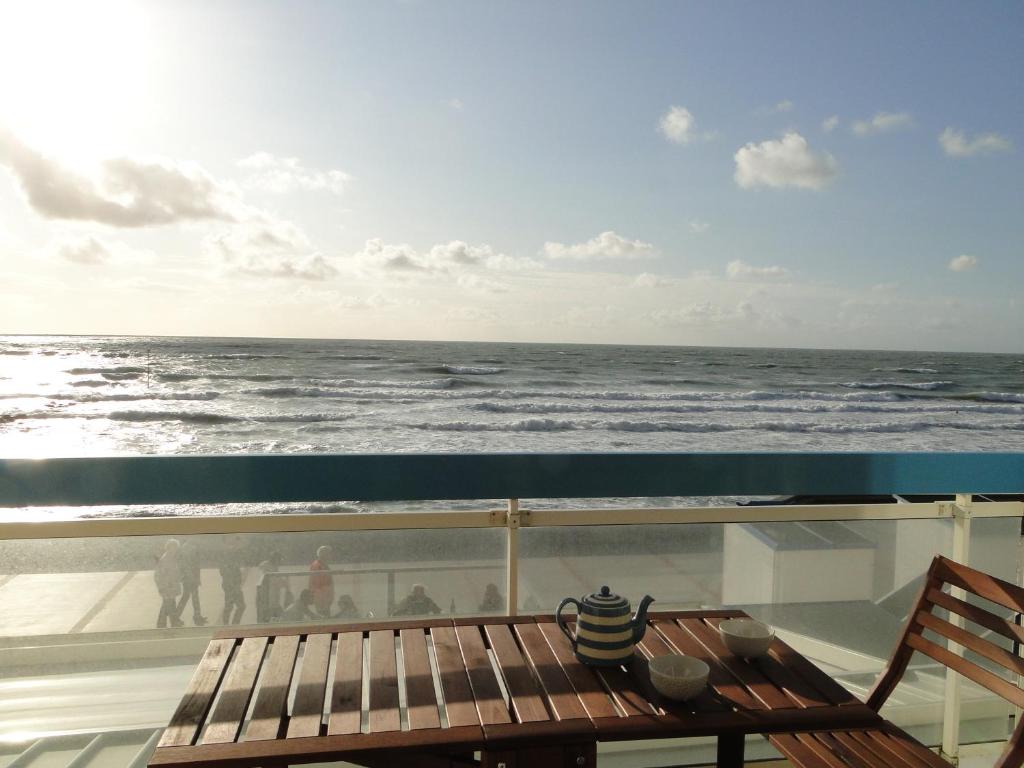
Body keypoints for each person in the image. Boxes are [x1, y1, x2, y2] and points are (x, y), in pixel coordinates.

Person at [176, 541, 207, 626]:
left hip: (191, 578)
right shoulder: (187, 549)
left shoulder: (191, 549)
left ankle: (196, 616)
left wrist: (197, 578)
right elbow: (186, 567)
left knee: (192, 597)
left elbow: (196, 566)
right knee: (189, 597)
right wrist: (193, 578)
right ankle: (177, 616)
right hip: (189, 579)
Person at [154, 539, 184, 628]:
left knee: (169, 604)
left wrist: (178, 577)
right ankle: (166, 623)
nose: (175, 550)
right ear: (168, 548)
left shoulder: (171, 558)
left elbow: (175, 572)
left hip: (170, 586)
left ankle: (166, 622)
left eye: (176, 548)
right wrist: (163, 586)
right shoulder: (166, 559)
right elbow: (160, 574)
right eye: (173, 547)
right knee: (168, 604)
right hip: (167, 586)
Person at [219, 537, 246, 625]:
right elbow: (224, 571)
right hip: (231, 585)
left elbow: (224, 571)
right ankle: (231, 624)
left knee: (231, 606)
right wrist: (233, 585)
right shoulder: (229, 555)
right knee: (239, 606)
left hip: (231, 584)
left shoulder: (230, 555)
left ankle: (229, 624)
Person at [257, 550, 290, 621]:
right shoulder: (265, 565)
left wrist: (285, 582)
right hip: (267, 599)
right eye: (279, 559)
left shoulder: (274, 567)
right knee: (268, 617)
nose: (280, 562)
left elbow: (277, 580)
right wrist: (283, 582)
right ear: (274, 559)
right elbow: (270, 578)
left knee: (279, 616)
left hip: (273, 599)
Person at [308, 545, 334, 617]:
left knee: (325, 617)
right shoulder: (317, 565)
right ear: (323, 554)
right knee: (324, 618)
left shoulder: (323, 565)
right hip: (321, 598)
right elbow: (317, 582)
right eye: (328, 553)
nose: (330, 555)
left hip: (325, 597)